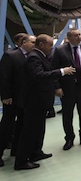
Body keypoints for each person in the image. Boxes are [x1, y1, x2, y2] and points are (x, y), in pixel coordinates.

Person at [14, 34, 75, 170]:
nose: (51, 48)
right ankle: (21, 161)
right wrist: (61, 71)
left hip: (41, 101)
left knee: (38, 129)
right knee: (29, 131)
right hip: (34, 101)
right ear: (41, 45)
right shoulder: (34, 57)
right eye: (50, 46)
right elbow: (39, 75)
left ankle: (36, 152)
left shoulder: (41, 56)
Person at [51, 28, 81, 151]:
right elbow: (54, 69)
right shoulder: (60, 50)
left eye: (80, 35)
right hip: (68, 88)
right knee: (67, 114)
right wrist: (58, 87)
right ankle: (69, 138)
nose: (79, 37)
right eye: (76, 35)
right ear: (69, 37)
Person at [0, 34, 35, 167]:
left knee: (21, 126)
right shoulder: (11, 56)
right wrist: (6, 96)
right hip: (12, 99)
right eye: (33, 42)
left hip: (26, 99)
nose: (35, 44)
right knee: (6, 126)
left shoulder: (32, 57)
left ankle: (16, 150)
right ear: (23, 42)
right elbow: (4, 78)